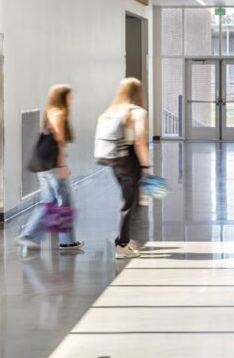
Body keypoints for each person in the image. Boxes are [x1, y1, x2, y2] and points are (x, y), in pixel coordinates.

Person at [16, 85, 84, 253]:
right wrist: (62, 165)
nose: (71, 99)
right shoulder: (59, 113)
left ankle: (31, 236)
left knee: (49, 201)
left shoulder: (50, 112)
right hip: (53, 166)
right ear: (62, 97)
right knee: (63, 201)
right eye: (69, 96)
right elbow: (59, 141)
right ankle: (64, 241)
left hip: (44, 165)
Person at [95, 78, 151, 259]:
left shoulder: (111, 110)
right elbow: (140, 140)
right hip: (129, 159)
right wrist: (145, 165)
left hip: (113, 159)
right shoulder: (137, 112)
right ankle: (122, 244)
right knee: (129, 202)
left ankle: (124, 237)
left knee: (130, 199)